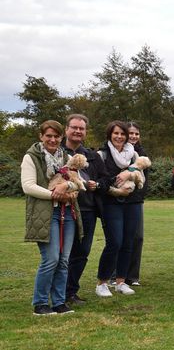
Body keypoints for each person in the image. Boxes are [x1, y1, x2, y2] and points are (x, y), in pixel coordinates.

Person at [21, 120, 82, 315]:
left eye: (56, 136)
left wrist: (67, 187)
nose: (53, 139)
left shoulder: (66, 156)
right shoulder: (31, 157)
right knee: (51, 259)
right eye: (49, 136)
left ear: (61, 137)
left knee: (64, 260)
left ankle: (58, 302)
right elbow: (28, 186)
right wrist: (55, 194)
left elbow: (77, 182)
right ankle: (40, 303)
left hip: (68, 213)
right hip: (45, 213)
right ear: (41, 136)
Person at [63, 114, 106, 306]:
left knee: (81, 252)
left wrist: (97, 184)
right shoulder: (56, 152)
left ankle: (70, 292)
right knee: (60, 252)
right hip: (61, 208)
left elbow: (106, 179)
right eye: (74, 127)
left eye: (81, 128)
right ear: (66, 129)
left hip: (87, 209)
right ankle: (57, 291)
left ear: (85, 132)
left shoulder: (92, 156)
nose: (77, 131)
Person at [95, 121, 141, 297]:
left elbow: (140, 176)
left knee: (128, 242)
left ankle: (121, 281)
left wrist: (130, 174)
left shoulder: (133, 153)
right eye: (116, 133)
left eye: (122, 134)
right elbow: (100, 181)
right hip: (110, 203)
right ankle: (102, 282)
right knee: (115, 242)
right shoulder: (101, 155)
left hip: (132, 202)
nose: (119, 137)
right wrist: (117, 191)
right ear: (109, 135)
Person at [123, 121, 148, 287]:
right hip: (119, 199)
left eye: (136, 133)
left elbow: (146, 178)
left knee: (137, 237)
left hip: (136, 200)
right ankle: (115, 274)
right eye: (130, 133)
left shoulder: (142, 153)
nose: (133, 136)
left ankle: (132, 276)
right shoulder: (118, 152)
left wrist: (141, 193)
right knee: (120, 238)